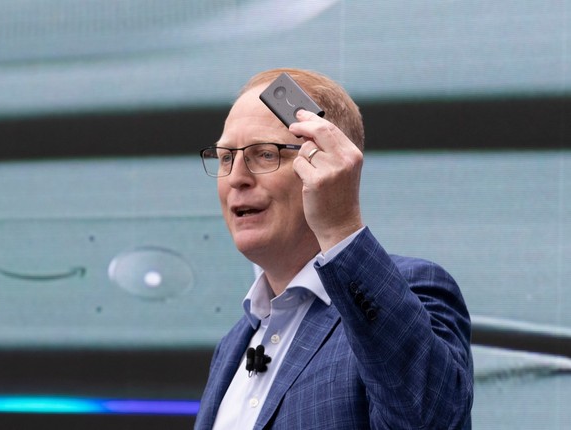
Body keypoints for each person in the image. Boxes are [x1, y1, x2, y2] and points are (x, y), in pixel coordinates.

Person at [194, 68, 473, 429]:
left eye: (264, 154)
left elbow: (429, 421)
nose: (236, 178)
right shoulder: (233, 344)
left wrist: (341, 227)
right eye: (225, 157)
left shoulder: (414, 291)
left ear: (326, 164)